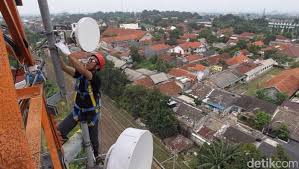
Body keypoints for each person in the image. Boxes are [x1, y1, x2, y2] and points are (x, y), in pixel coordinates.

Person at [55, 42, 105, 159]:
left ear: (97, 67)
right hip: (77, 112)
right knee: (58, 133)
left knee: (93, 145)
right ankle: (59, 156)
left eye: (93, 60)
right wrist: (55, 54)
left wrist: (68, 54)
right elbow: (64, 67)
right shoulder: (81, 75)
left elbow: (82, 70)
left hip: (90, 116)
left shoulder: (95, 79)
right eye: (89, 58)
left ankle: (96, 160)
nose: (89, 60)